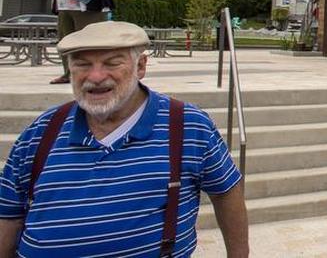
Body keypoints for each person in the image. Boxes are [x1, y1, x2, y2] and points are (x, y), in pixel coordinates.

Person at [0, 21, 249, 257]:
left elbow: (226, 191)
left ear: (141, 66)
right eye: (82, 64)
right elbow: (8, 212)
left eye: (112, 63)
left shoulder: (187, 125)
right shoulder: (43, 131)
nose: (96, 76)